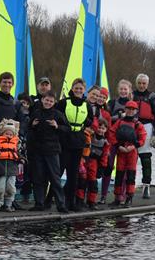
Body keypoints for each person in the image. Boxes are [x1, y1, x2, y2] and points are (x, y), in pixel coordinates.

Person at [0, 72, 24, 209]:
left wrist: (19, 142)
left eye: (9, 82)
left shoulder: (16, 103)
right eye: (4, 82)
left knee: (10, 174)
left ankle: (9, 201)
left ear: (12, 84)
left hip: (11, 143)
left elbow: (21, 123)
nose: (7, 84)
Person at [57, 78, 95, 211]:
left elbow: (90, 120)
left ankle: (71, 202)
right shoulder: (63, 102)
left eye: (81, 88)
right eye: (76, 88)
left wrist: (85, 124)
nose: (78, 90)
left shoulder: (87, 105)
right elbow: (57, 115)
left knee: (73, 174)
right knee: (59, 171)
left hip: (78, 141)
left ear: (84, 90)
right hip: (65, 140)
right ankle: (51, 200)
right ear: (72, 88)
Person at [27, 92, 68, 212]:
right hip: (38, 150)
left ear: (54, 102)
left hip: (52, 150)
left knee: (55, 178)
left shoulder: (58, 114)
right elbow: (28, 129)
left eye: (51, 101)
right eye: (46, 100)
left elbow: (67, 129)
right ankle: (39, 203)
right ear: (42, 100)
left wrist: (57, 126)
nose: (48, 103)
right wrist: (32, 125)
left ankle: (61, 204)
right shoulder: (36, 113)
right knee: (38, 177)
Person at [108, 100, 147, 207]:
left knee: (130, 176)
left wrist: (133, 146)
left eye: (132, 109)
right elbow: (111, 133)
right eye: (128, 108)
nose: (130, 111)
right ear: (125, 109)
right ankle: (117, 198)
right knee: (119, 175)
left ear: (136, 111)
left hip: (132, 152)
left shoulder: (137, 124)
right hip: (121, 151)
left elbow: (142, 137)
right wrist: (118, 146)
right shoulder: (119, 122)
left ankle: (129, 198)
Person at [100, 79, 133, 203]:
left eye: (125, 89)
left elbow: (135, 122)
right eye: (121, 89)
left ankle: (120, 196)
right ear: (118, 90)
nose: (123, 91)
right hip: (112, 140)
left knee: (122, 170)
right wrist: (119, 117)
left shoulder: (132, 105)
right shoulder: (112, 103)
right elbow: (106, 119)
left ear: (129, 90)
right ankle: (103, 195)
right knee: (108, 167)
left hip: (125, 143)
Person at [133, 73, 155, 199]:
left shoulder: (153, 97)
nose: (141, 85)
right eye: (139, 83)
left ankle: (146, 186)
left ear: (147, 84)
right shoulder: (131, 95)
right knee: (130, 157)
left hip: (147, 127)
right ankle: (129, 185)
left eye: (144, 83)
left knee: (145, 158)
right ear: (136, 83)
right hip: (131, 126)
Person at [75, 118, 110, 210]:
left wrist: (102, 167)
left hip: (94, 163)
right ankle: (80, 200)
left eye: (103, 128)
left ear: (106, 130)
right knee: (82, 182)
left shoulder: (105, 143)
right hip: (85, 160)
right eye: (99, 127)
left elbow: (105, 156)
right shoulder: (89, 137)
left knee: (93, 183)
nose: (100, 130)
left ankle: (91, 201)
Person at [0, 119, 21, 212]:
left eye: (10, 134)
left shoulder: (16, 144)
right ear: (2, 133)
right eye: (6, 133)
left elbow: (19, 154)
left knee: (11, 188)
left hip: (12, 170)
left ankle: (8, 204)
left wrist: (22, 159)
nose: (8, 135)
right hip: (0, 169)